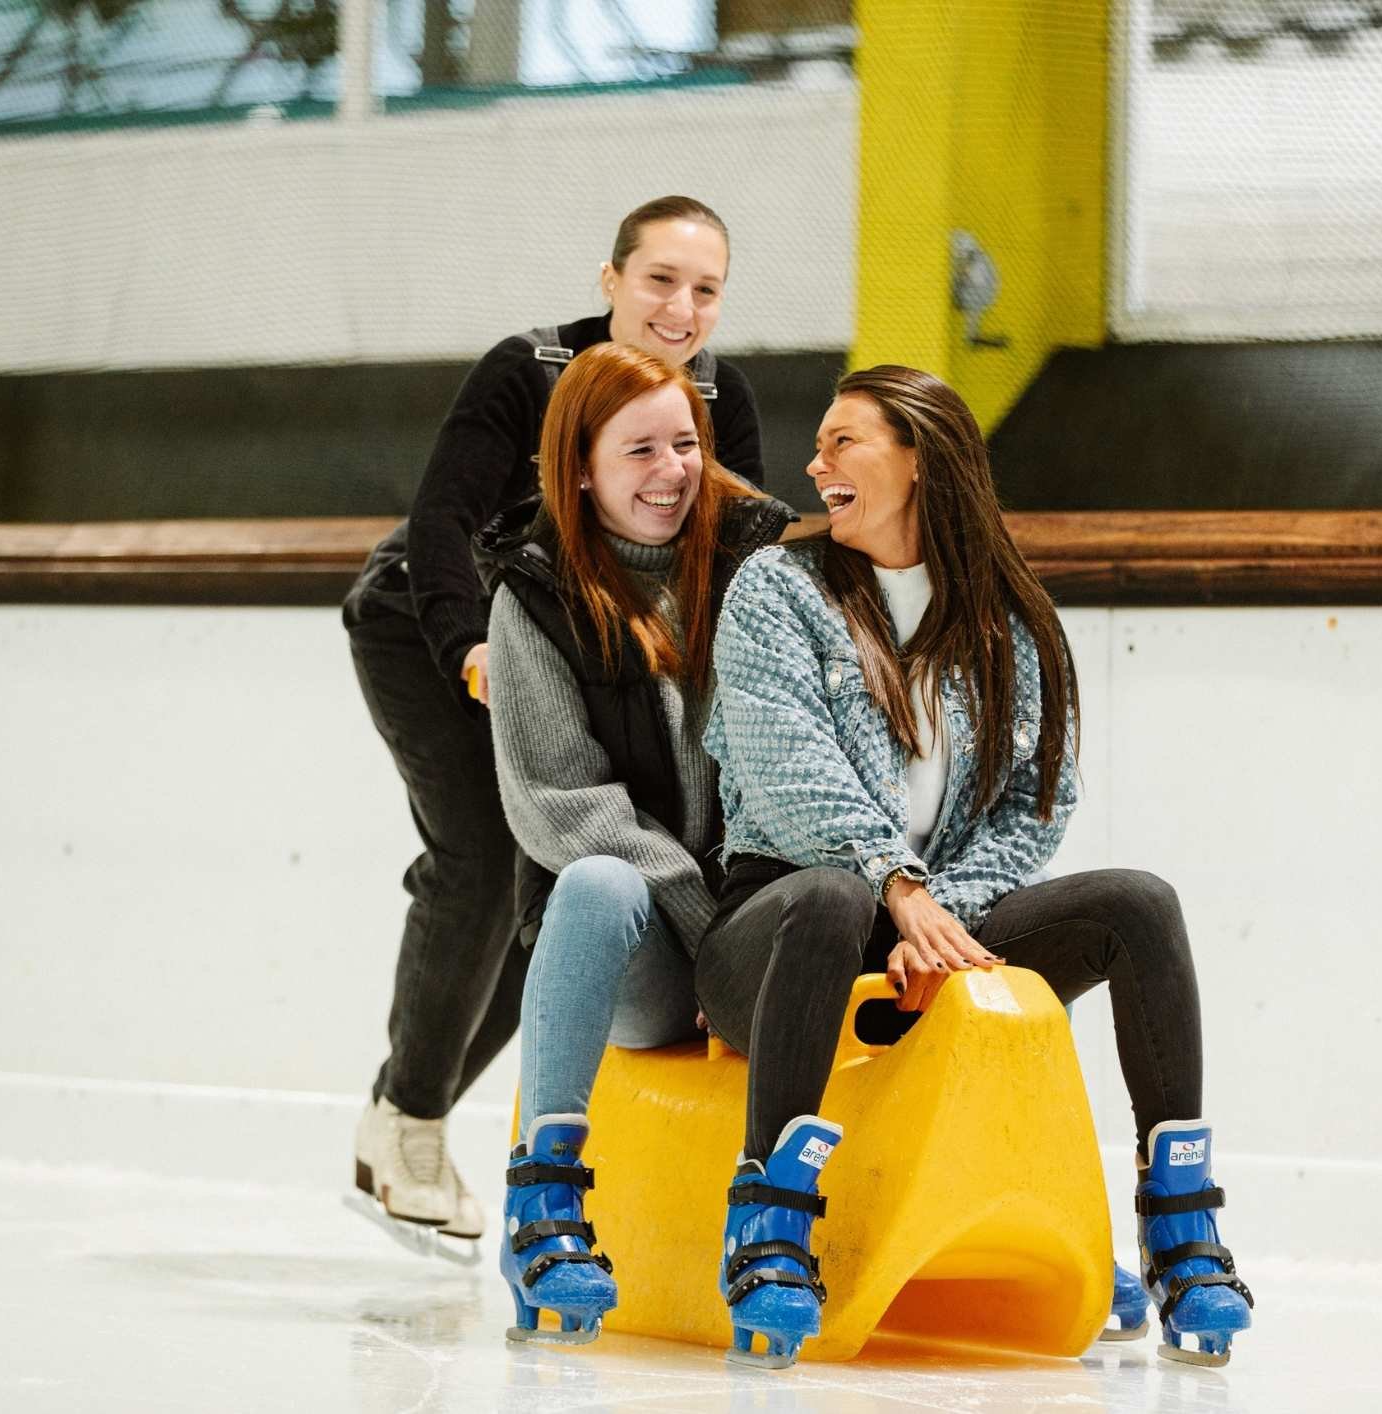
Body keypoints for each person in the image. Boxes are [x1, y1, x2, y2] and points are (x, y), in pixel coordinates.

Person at [694, 366, 1254, 1369]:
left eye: (842, 443)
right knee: (827, 896)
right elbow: (788, 777)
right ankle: (770, 1224)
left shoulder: (1007, 620)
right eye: (817, 446)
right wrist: (894, 890)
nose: (815, 466)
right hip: (777, 928)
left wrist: (936, 917)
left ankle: (1178, 1228)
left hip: (934, 922)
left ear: (917, 459)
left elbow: (1032, 806)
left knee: (1138, 904)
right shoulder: (775, 592)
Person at [343, 196, 764, 1251]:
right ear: (610, 279)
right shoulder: (524, 371)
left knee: (560, 895)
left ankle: (404, 1107)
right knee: (487, 852)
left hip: (585, 644)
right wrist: (466, 652)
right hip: (434, 627)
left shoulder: (717, 396)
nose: (679, 307)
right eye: (658, 279)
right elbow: (442, 522)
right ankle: (411, 1123)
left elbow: (735, 546)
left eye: (704, 288)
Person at [474, 341, 793, 1342]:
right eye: (639, 450)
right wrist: (693, 912)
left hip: (760, 922)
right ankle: (545, 1205)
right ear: (579, 468)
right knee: (600, 879)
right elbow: (558, 802)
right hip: (652, 952)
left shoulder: (761, 563)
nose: (672, 472)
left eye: (686, 443)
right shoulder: (534, 600)